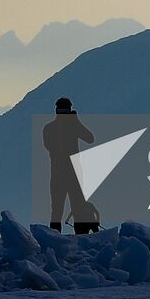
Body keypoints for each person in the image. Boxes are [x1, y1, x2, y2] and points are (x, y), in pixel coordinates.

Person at [42, 96, 93, 232]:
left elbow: (50, 146)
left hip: (58, 174)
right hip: (73, 174)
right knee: (78, 207)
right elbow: (90, 138)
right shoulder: (73, 127)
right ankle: (81, 237)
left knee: (57, 210)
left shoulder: (48, 128)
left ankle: (54, 238)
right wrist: (76, 122)